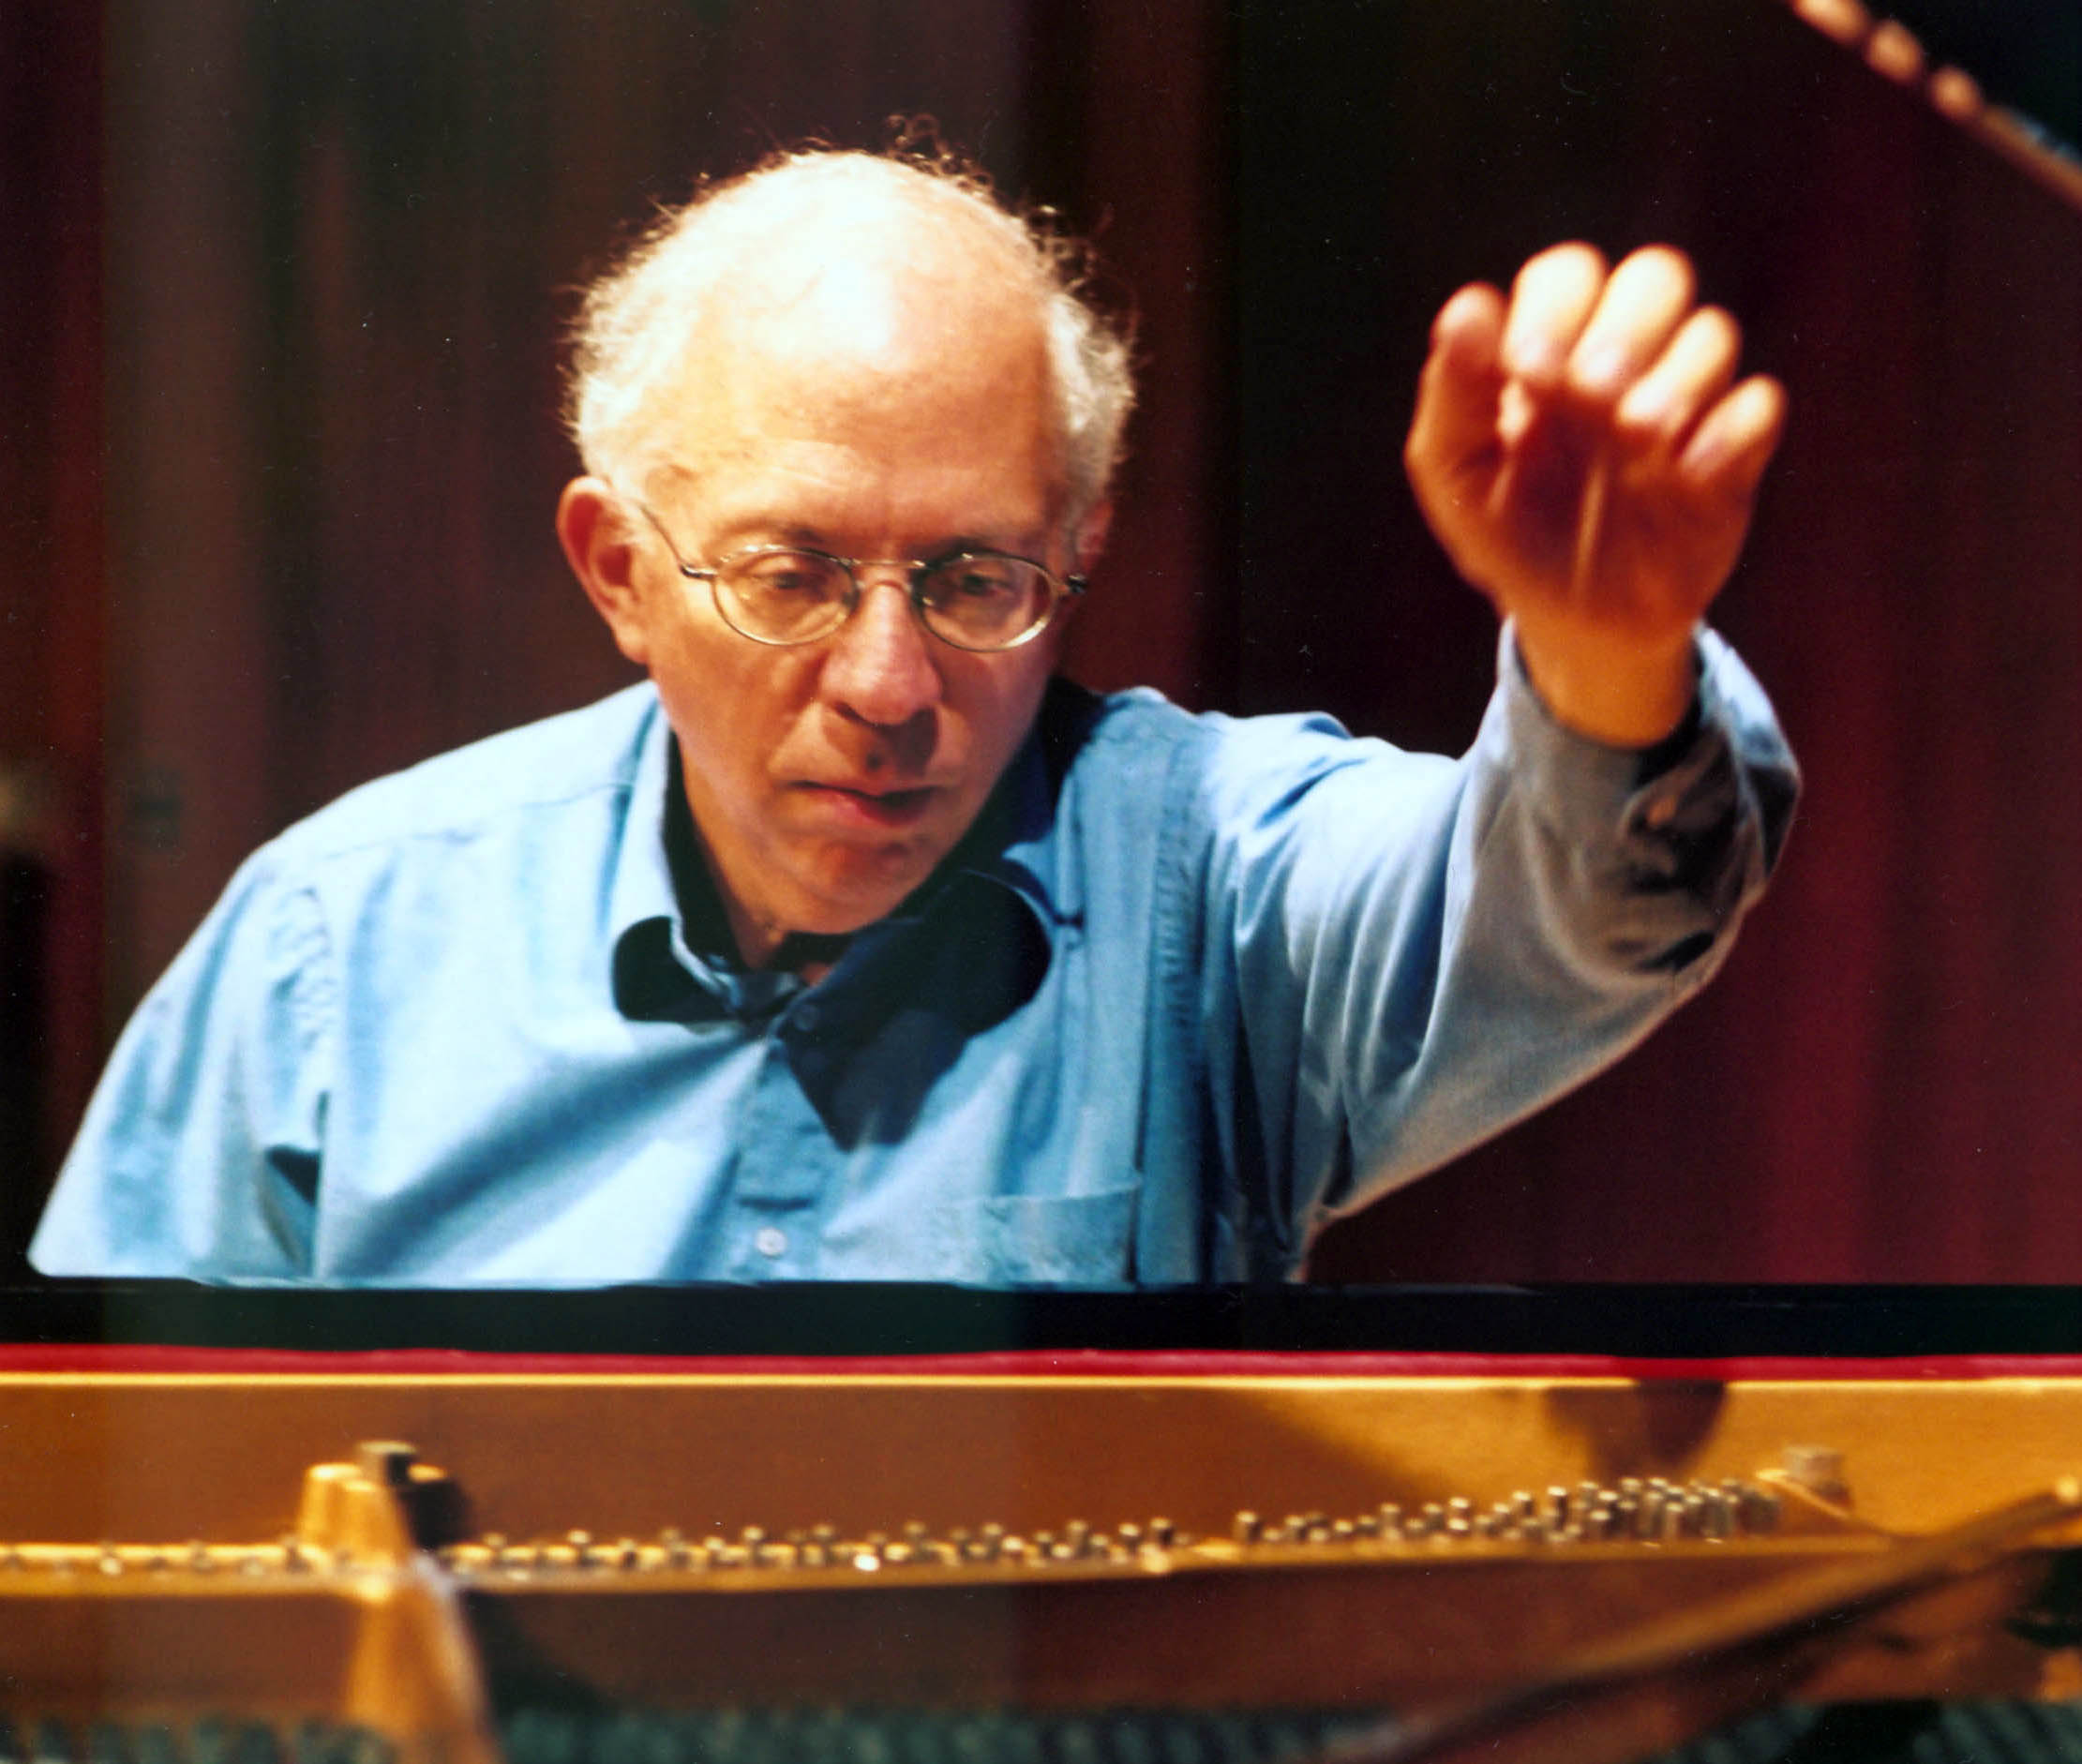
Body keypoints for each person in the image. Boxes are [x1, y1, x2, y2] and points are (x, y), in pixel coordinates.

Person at [31, 147, 1797, 1285]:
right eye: (788, 573)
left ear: (1078, 550)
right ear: (617, 571)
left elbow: (1575, 921)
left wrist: (1606, 651)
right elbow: (107, 1540)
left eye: (973, 580)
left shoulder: (1213, 890)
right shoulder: (337, 945)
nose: (887, 689)